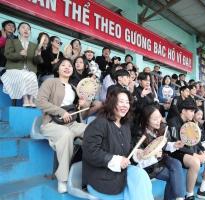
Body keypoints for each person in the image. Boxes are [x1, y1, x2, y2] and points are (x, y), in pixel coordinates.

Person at [82, 87, 153, 200]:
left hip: (119, 173)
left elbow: (127, 148)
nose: (125, 105)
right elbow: (90, 152)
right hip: (101, 177)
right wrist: (116, 160)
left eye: (127, 102)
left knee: (141, 176)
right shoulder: (99, 123)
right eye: (121, 102)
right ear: (111, 103)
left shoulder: (125, 125)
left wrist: (136, 153)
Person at [36, 58, 89, 193]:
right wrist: (60, 111)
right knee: (66, 135)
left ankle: (94, 172)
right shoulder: (50, 82)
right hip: (52, 123)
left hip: (71, 123)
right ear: (58, 68)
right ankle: (63, 179)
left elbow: (81, 110)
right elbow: (40, 102)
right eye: (63, 65)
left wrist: (83, 104)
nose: (67, 67)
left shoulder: (74, 87)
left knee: (93, 130)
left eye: (69, 66)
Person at [168, 99, 205, 199]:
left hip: (190, 151)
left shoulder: (191, 122)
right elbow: (175, 146)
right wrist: (194, 155)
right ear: (183, 111)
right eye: (191, 111)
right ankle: (189, 195)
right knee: (195, 162)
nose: (193, 114)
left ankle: (203, 189)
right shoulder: (173, 122)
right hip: (175, 152)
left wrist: (201, 151)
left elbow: (196, 140)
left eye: (193, 111)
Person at [134, 105, 186, 200]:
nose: (159, 121)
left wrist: (174, 145)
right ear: (146, 120)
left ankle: (180, 197)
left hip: (161, 159)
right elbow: (139, 160)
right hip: (149, 166)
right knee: (173, 177)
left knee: (177, 163)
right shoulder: (139, 135)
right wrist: (153, 155)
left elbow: (164, 146)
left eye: (160, 117)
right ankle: (179, 197)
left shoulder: (160, 129)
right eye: (155, 119)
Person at [1, 22, 42, 107]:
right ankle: (25, 99)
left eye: (28, 29)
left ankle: (31, 100)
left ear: (30, 32)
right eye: (23, 28)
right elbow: (7, 54)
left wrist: (38, 55)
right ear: (18, 30)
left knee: (32, 75)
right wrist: (19, 54)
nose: (26, 30)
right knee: (23, 75)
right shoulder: (11, 41)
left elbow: (37, 61)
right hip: (13, 69)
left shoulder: (34, 45)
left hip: (29, 70)